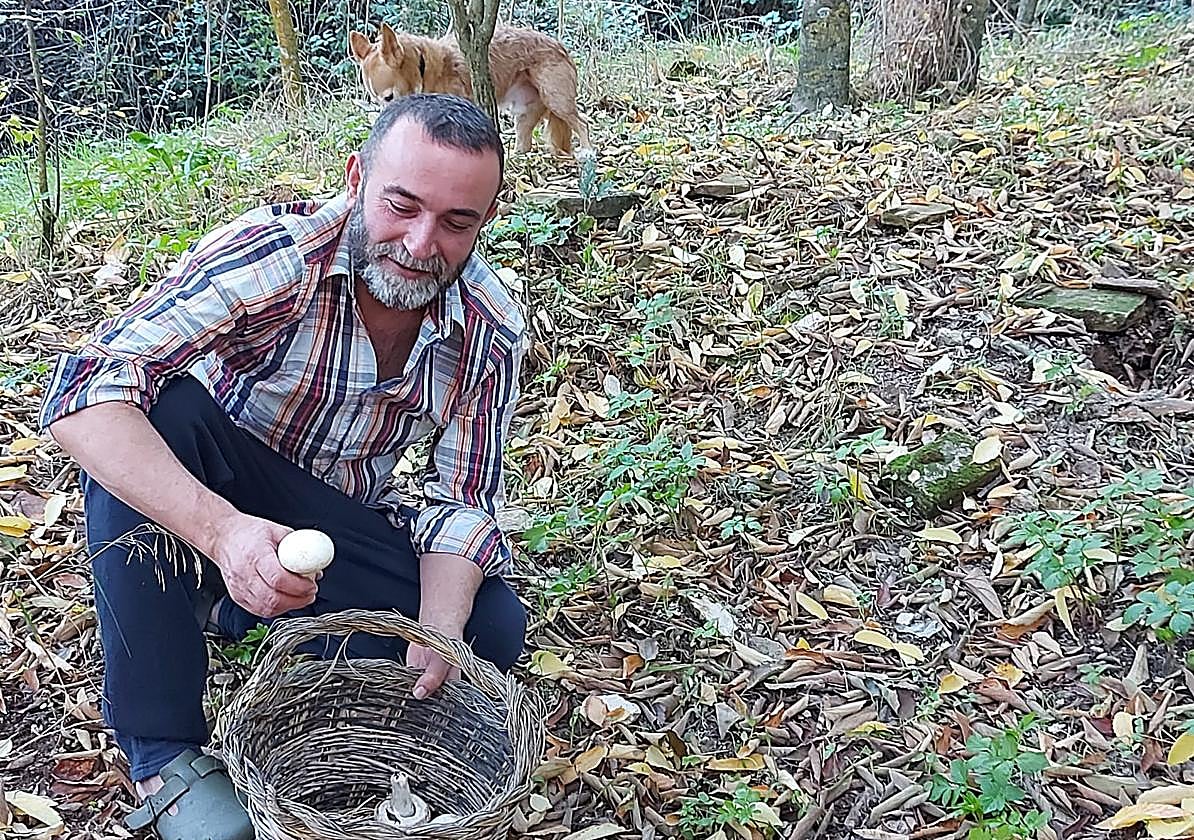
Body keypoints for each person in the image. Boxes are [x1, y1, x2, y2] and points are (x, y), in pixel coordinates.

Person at [37, 93, 529, 840]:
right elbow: (83, 391)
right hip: (222, 485)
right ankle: (162, 750)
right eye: (401, 205)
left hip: (333, 513)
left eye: (456, 222)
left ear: (483, 221)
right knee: (158, 413)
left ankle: (254, 611)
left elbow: (463, 496)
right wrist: (225, 533)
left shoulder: (488, 329)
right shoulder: (278, 254)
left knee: (489, 626)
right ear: (357, 175)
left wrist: (439, 623)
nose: (422, 243)